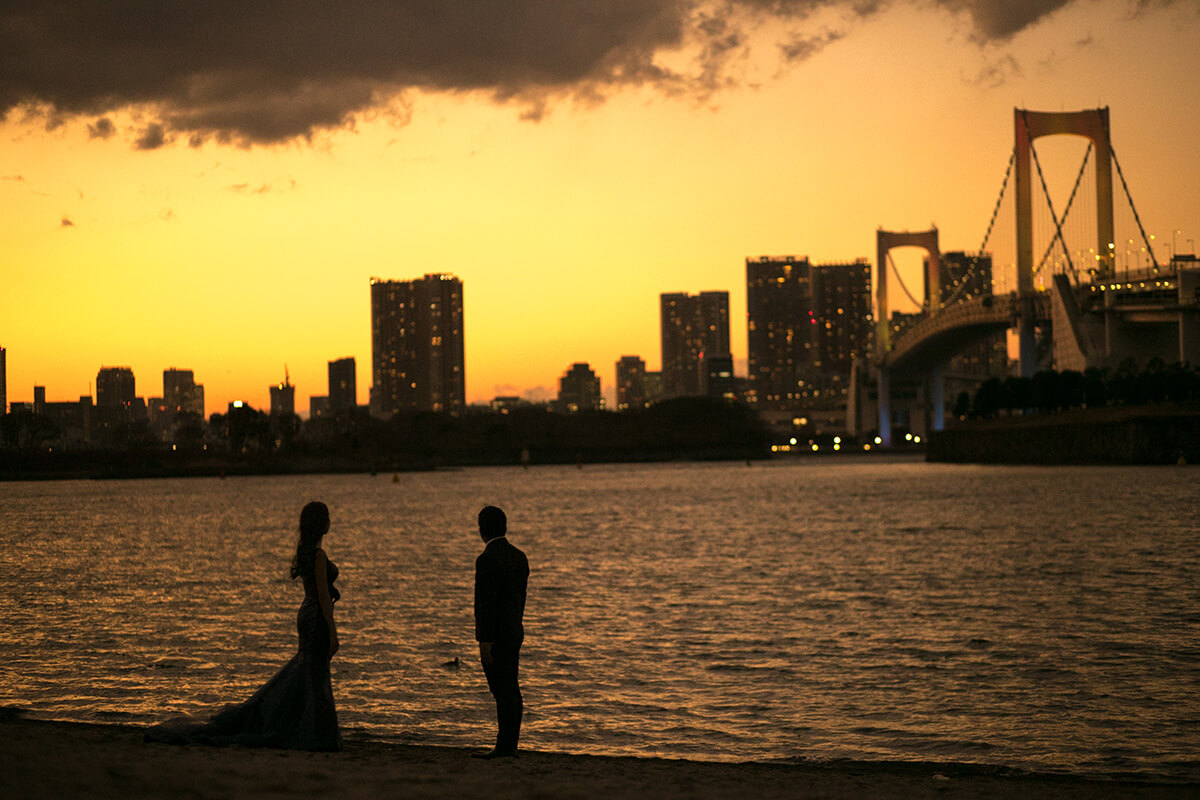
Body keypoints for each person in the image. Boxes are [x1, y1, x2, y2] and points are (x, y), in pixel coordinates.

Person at [145, 501, 342, 751]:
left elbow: (319, 590)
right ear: (321, 523)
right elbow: (323, 597)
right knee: (315, 671)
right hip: (316, 617)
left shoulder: (307, 553)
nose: (330, 522)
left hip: (306, 616)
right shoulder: (318, 555)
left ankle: (309, 725)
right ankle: (314, 730)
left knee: (309, 669)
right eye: (327, 517)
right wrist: (333, 634)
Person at [473, 505, 529, 759]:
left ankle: (504, 745)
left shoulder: (486, 560)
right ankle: (510, 744)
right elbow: (521, 599)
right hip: (514, 630)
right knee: (512, 688)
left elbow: (485, 602)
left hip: (495, 634)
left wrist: (484, 639)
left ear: (482, 530)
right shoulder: (519, 557)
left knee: (501, 689)